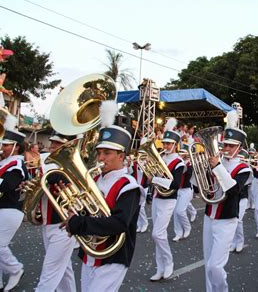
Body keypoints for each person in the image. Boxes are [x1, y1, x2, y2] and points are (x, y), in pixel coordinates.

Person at [61, 125, 144, 292]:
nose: (100, 158)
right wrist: (72, 207)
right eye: (99, 153)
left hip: (113, 257)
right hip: (89, 253)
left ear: (121, 156)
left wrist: (78, 223)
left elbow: (119, 223)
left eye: (107, 153)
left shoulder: (129, 186)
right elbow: (85, 212)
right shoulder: (95, 179)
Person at [198, 110, 251, 292]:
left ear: (239, 147)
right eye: (224, 145)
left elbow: (234, 190)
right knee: (208, 264)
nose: (225, 148)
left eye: (230, 146)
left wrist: (217, 167)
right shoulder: (216, 161)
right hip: (209, 215)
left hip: (227, 219)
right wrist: (203, 166)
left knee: (215, 266)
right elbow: (201, 186)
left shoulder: (244, 168)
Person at [35, 132, 77, 292]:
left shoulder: (67, 168)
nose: (51, 146)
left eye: (56, 144)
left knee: (49, 275)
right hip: (49, 224)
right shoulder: (50, 165)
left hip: (63, 227)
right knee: (64, 271)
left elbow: (53, 177)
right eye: (51, 143)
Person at [0, 125, 28, 291]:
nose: (2, 147)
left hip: (9, 209)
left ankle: (15, 269)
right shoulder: (3, 163)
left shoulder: (17, 164)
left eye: (6, 145)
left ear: (16, 146)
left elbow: (8, 185)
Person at [150, 118, 185, 281]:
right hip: (157, 197)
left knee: (157, 234)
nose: (165, 146)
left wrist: (155, 179)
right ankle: (160, 267)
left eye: (169, 144)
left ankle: (169, 262)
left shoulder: (179, 162)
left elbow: (175, 184)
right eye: (164, 143)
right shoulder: (160, 158)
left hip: (169, 199)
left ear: (175, 145)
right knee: (159, 234)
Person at [230, 148, 253, 253]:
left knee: (238, 220)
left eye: (242, 159)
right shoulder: (232, 167)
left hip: (243, 197)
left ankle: (240, 241)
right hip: (234, 198)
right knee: (232, 221)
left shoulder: (246, 170)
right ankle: (233, 242)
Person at [173, 142, 194, 241]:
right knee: (175, 212)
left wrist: (183, 163)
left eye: (183, 153)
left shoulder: (190, 164)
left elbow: (188, 173)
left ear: (187, 154)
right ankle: (178, 232)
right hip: (177, 190)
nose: (180, 154)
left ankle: (187, 227)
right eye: (180, 152)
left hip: (186, 189)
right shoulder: (178, 163)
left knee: (180, 211)